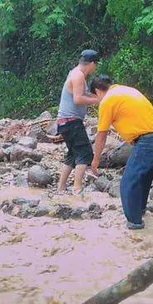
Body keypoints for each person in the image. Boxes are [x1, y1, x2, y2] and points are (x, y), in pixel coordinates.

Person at [88, 76, 153, 230]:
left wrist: (95, 161)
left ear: (97, 91)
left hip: (147, 142)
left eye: (96, 96)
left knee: (128, 182)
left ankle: (134, 225)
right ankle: (140, 212)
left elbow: (102, 135)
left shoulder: (107, 100)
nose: (97, 100)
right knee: (143, 178)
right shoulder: (127, 90)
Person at [56, 50, 100, 195]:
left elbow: (83, 94)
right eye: (96, 65)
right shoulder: (79, 75)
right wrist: (98, 100)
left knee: (73, 154)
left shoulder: (75, 73)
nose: (95, 68)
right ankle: (77, 188)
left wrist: (98, 96)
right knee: (85, 152)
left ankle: (61, 187)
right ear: (92, 63)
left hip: (65, 121)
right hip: (71, 121)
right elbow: (78, 99)